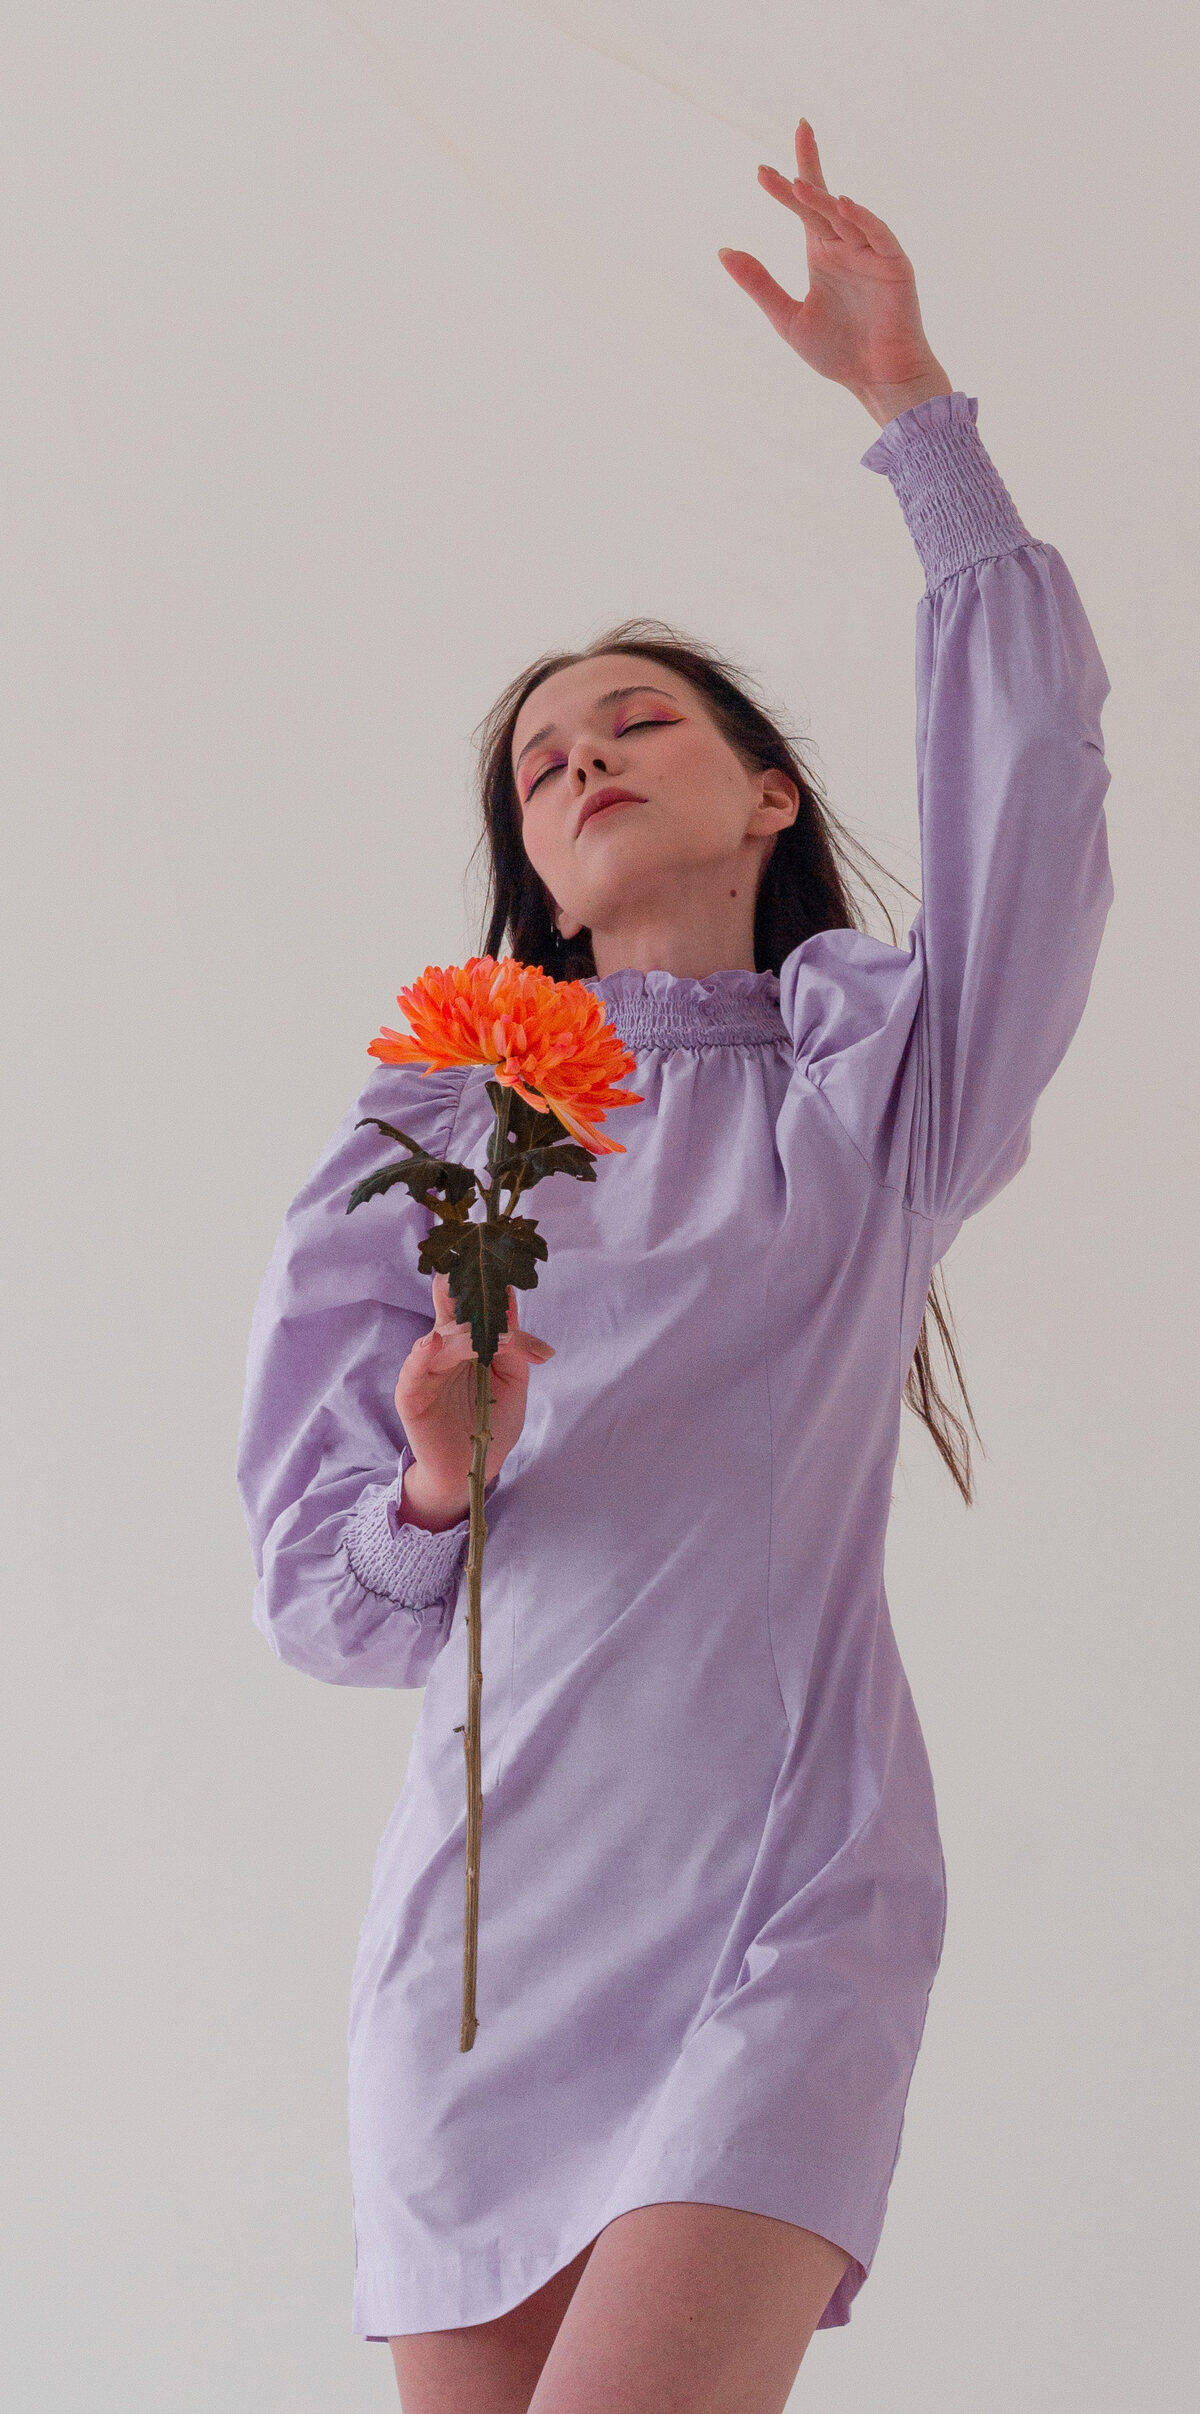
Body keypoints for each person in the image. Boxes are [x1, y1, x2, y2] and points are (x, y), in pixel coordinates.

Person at [236, 118, 1113, 2414]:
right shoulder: (438, 1132)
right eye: (543, 755)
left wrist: (915, 415)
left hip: (783, 1909)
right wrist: (435, 1484)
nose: (588, 751)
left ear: (765, 802)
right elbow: (319, 1605)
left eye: (645, 719)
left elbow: (1036, 798)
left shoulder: (869, 1086)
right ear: (529, 871)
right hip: (484, 1947)